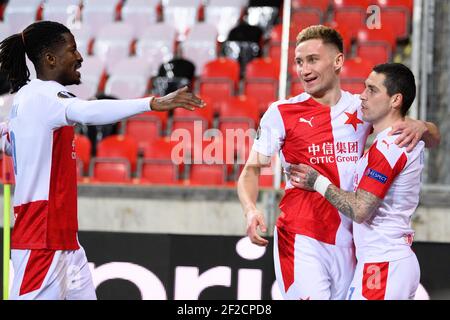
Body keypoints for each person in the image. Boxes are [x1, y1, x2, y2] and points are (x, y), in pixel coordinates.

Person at [0, 20, 204, 300]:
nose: (80, 56)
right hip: (42, 242)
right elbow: (86, 112)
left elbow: (13, 143)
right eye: (72, 50)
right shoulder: (41, 97)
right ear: (50, 59)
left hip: (64, 242)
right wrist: (151, 103)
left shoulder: (30, 100)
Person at [237, 25, 440, 300]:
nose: (304, 69)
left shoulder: (363, 108)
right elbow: (251, 168)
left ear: (338, 61)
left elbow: (428, 136)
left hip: (350, 244)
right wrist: (250, 210)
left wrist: (421, 125)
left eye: (312, 60)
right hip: (302, 238)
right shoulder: (281, 113)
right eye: (299, 61)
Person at [289, 63, 423, 300]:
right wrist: (425, 126)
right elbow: (433, 137)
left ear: (395, 100)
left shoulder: (390, 146)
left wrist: (316, 181)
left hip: (383, 264)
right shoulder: (403, 137)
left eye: (372, 90)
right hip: (389, 261)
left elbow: (360, 209)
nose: (362, 95)